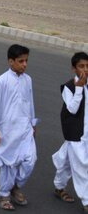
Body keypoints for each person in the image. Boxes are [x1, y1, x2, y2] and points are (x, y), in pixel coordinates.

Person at [0, 44, 38, 211]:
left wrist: (32, 123)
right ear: (11, 62)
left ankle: (15, 186)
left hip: (25, 129)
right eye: (21, 61)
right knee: (9, 164)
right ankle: (4, 194)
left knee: (30, 161)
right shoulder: (1, 81)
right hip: (7, 130)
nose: (24, 64)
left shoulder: (28, 80)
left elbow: (30, 102)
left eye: (26, 61)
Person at [52, 51, 88, 209]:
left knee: (67, 161)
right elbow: (72, 109)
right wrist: (79, 89)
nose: (85, 69)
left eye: (87, 66)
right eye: (81, 66)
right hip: (75, 133)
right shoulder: (69, 87)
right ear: (74, 69)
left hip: (86, 133)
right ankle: (87, 201)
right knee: (81, 167)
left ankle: (59, 187)